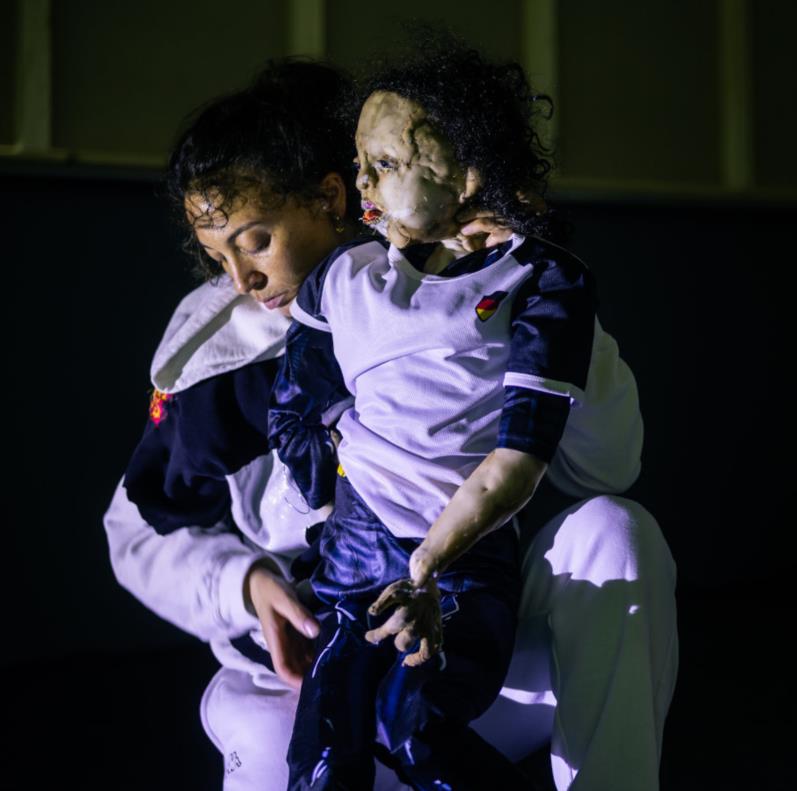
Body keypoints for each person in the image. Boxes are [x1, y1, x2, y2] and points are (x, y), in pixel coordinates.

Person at [104, 57, 678, 790]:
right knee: (298, 749)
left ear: (333, 196)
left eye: (256, 240)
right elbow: (133, 532)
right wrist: (244, 583)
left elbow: (608, 467)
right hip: (300, 676)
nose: (240, 279)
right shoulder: (218, 341)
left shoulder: (481, 280)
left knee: (617, 529)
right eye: (219, 253)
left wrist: (548, 297)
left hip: (464, 649)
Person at [262, 40, 641, 789]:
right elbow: (295, 411)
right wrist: (333, 513)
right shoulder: (344, 274)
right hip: (353, 557)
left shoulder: (542, 277)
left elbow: (520, 459)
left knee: (414, 732)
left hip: (461, 565)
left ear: (465, 174)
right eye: (359, 161)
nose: (361, 182)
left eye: (385, 164)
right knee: (323, 754)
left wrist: (429, 565)